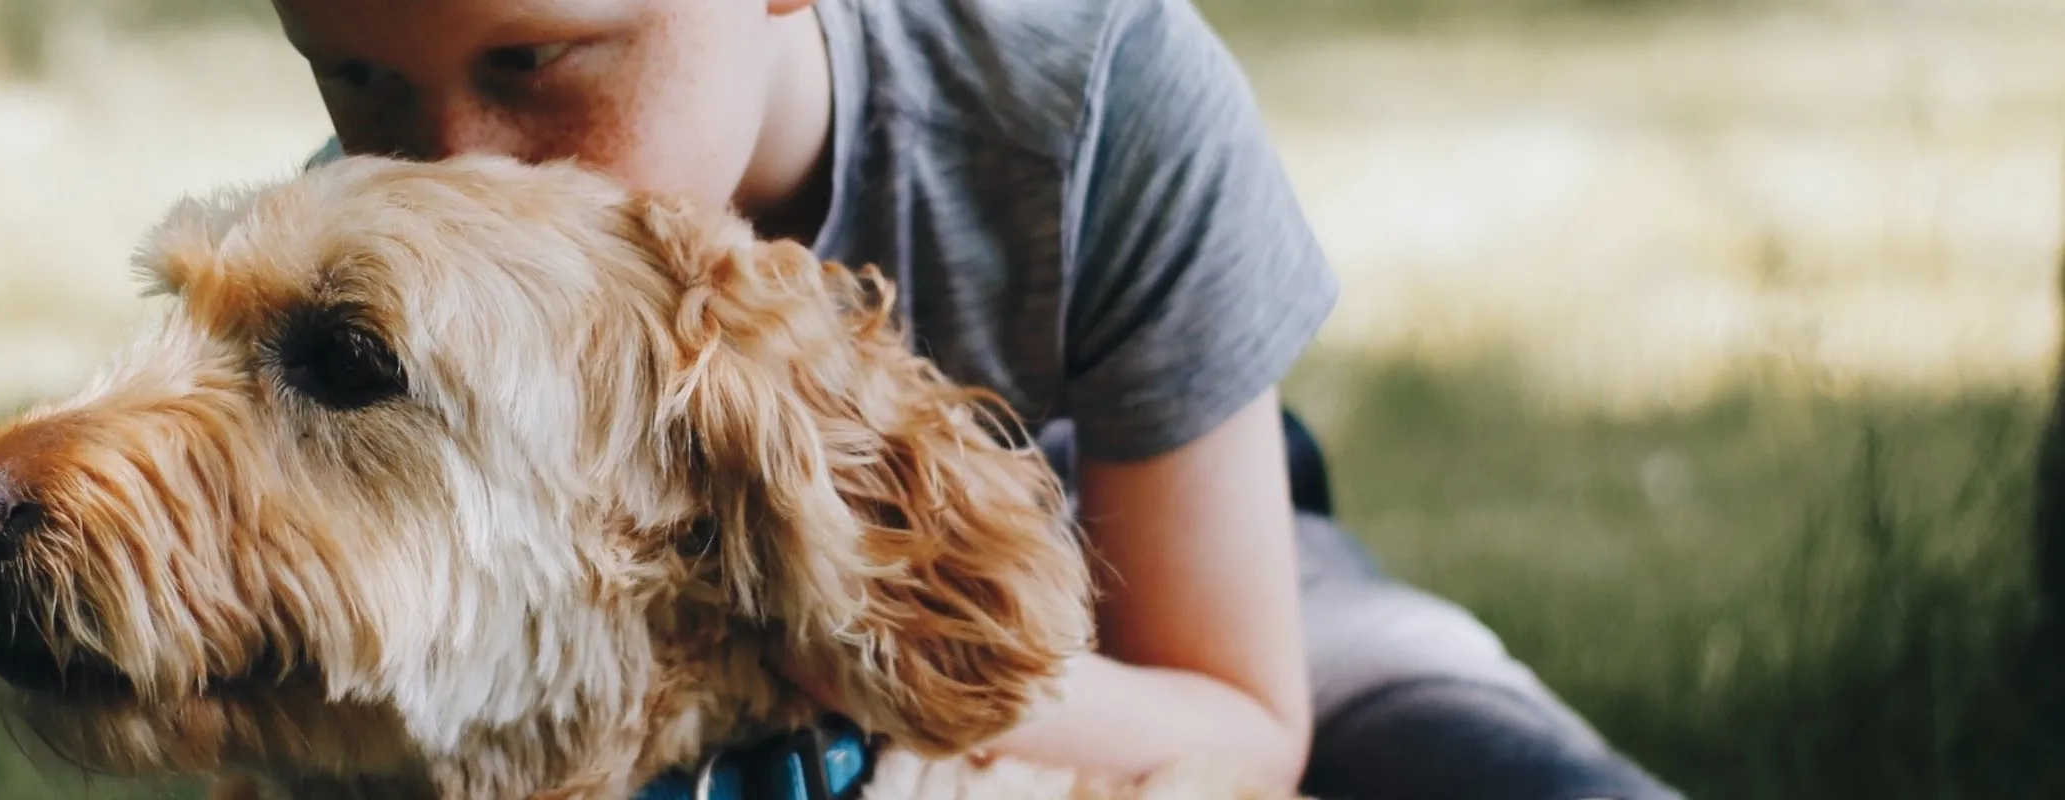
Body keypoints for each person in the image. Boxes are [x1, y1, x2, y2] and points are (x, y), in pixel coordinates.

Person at [270, 0, 1681, 797]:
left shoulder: (1093, 98)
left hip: (1168, 578)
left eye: (533, 61)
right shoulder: (368, 270)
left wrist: (847, 661)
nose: (458, 168)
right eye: (358, 81)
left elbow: (1246, 718)